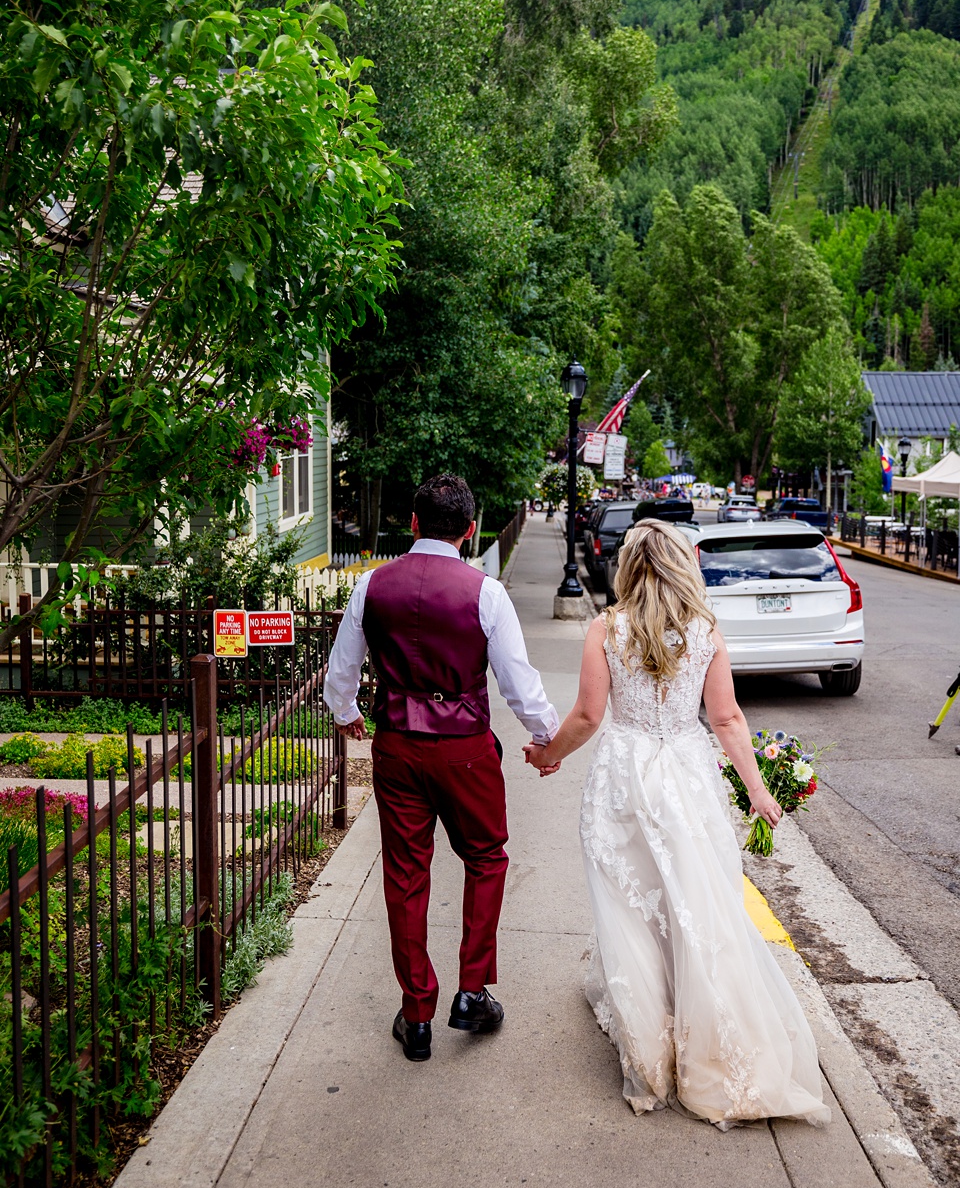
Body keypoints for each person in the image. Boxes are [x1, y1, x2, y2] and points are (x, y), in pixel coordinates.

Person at [524, 520, 830, 1129]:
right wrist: (757, 790)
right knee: (697, 900)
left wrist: (547, 755)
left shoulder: (605, 629)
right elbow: (727, 719)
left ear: (629, 566)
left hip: (626, 776)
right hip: (687, 775)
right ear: (683, 565)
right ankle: (707, 1041)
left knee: (631, 906)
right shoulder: (705, 631)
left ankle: (651, 1054)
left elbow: (587, 715)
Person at [324, 474, 558, 1063]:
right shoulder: (485, 592)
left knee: (406, 874)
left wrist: (347, 713)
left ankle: (416, 1010)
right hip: (465, 749)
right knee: (485, 857)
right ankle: (471, 990)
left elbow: (341, 667)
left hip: (398, 746)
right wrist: (544, 736)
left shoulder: (372, 585)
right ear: (471, 529)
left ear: (413, 523)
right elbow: (516, 679)